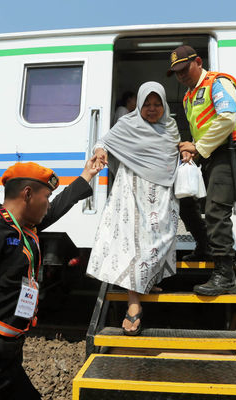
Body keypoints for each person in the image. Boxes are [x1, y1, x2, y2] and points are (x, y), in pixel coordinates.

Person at [0, 159, 99, 400]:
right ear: (28, 194)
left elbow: (53, 211)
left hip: (5, 362)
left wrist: (86, 176)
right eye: (46, 197)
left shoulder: (18, 228)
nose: (48, 204)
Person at [87, 82, 180, 336]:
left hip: (162, 195)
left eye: (157, 104)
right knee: (136, 243)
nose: (152, 109)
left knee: (162, 237)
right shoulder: (128, 124)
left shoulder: (171, 127)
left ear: (164, 104)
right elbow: (103, 142)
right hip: (132, 192)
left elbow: (172, 156)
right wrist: (99, 151)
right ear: (139, 105)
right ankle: (133, 304)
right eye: (147, 104)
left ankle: (147, 280)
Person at [167, 45, 236, 296]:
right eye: (177, 72)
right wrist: (190, 149)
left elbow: (227, 119)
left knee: (216, 209)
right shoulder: (188, 96)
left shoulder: (218, 82)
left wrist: (198, 147)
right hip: (207, 154)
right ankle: (203, 246)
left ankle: (225, 275)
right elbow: (197, 130)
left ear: (198, 62)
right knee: (185, 200)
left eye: (184, 69)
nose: (181, 76)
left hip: (227, 151)